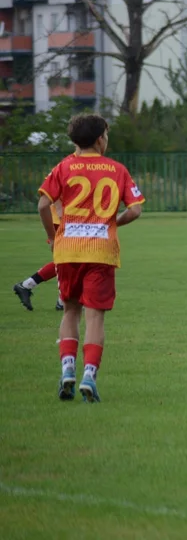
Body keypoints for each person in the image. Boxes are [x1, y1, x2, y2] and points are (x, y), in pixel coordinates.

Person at [37, 114, 145, 402]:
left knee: (71, 310)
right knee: (95, 316)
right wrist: (112, 223)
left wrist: (52, 236)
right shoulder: (117, 169)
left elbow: (43, 203)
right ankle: (89, 377)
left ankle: (67, 370)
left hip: (67, 251)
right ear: (100, 139)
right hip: (101, 252)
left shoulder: (64, 166)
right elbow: (135, 210)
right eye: (106, 135)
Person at [13, 200, 66, 311]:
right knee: (69, 260)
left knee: (69, 260)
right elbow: (53, 194)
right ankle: (63, 300)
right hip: (62, 219)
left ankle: (27, 285)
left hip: (72, 218)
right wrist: (62, 216)